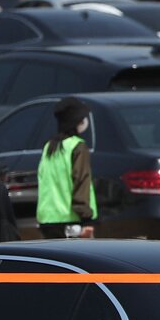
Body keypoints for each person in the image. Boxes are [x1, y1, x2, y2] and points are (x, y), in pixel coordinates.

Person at [36, 97, 97, 239]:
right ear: (76, 122)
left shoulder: (49, 147)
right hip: (71, 220)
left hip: (47, 219)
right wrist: (86, 217)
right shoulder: (77, 146)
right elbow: (81, 181)